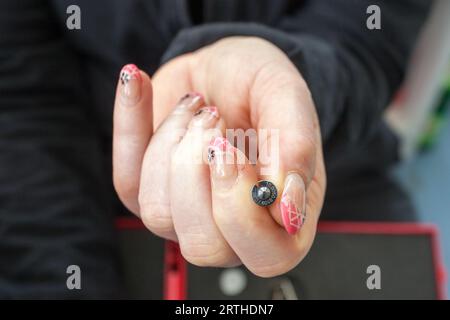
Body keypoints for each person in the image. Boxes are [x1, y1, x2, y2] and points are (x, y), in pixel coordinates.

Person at [0, 0, 430, 298]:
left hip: (337, 175)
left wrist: (294, 80)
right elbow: (23, 105)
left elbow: (367, 32)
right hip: (80, 206)